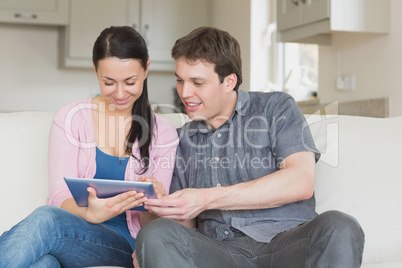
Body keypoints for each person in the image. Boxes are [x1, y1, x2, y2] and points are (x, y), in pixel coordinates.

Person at [134, 27, 365, 267]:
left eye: (198, 82)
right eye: (180, 80)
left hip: (287, 243)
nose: (184, 92)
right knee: (157, 234)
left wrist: (206, 198)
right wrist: (156, 206)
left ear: (229, 82)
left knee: (340, 225)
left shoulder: (275, 108)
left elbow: (300, 180)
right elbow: (184, 227)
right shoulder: (180, 140)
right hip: (220, 252)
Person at [0, 26, 178, 267]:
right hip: (72, 234)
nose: (120, 93)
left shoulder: (163, 132)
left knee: (47, 220)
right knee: (43, 264)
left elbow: (152, 226)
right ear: (95, 70)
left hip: (124, 244)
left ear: (146, 69)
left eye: (130, 81)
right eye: (109, 82)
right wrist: (89, 214)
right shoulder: (71, 118)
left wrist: (154, 201)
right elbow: (58, 195)